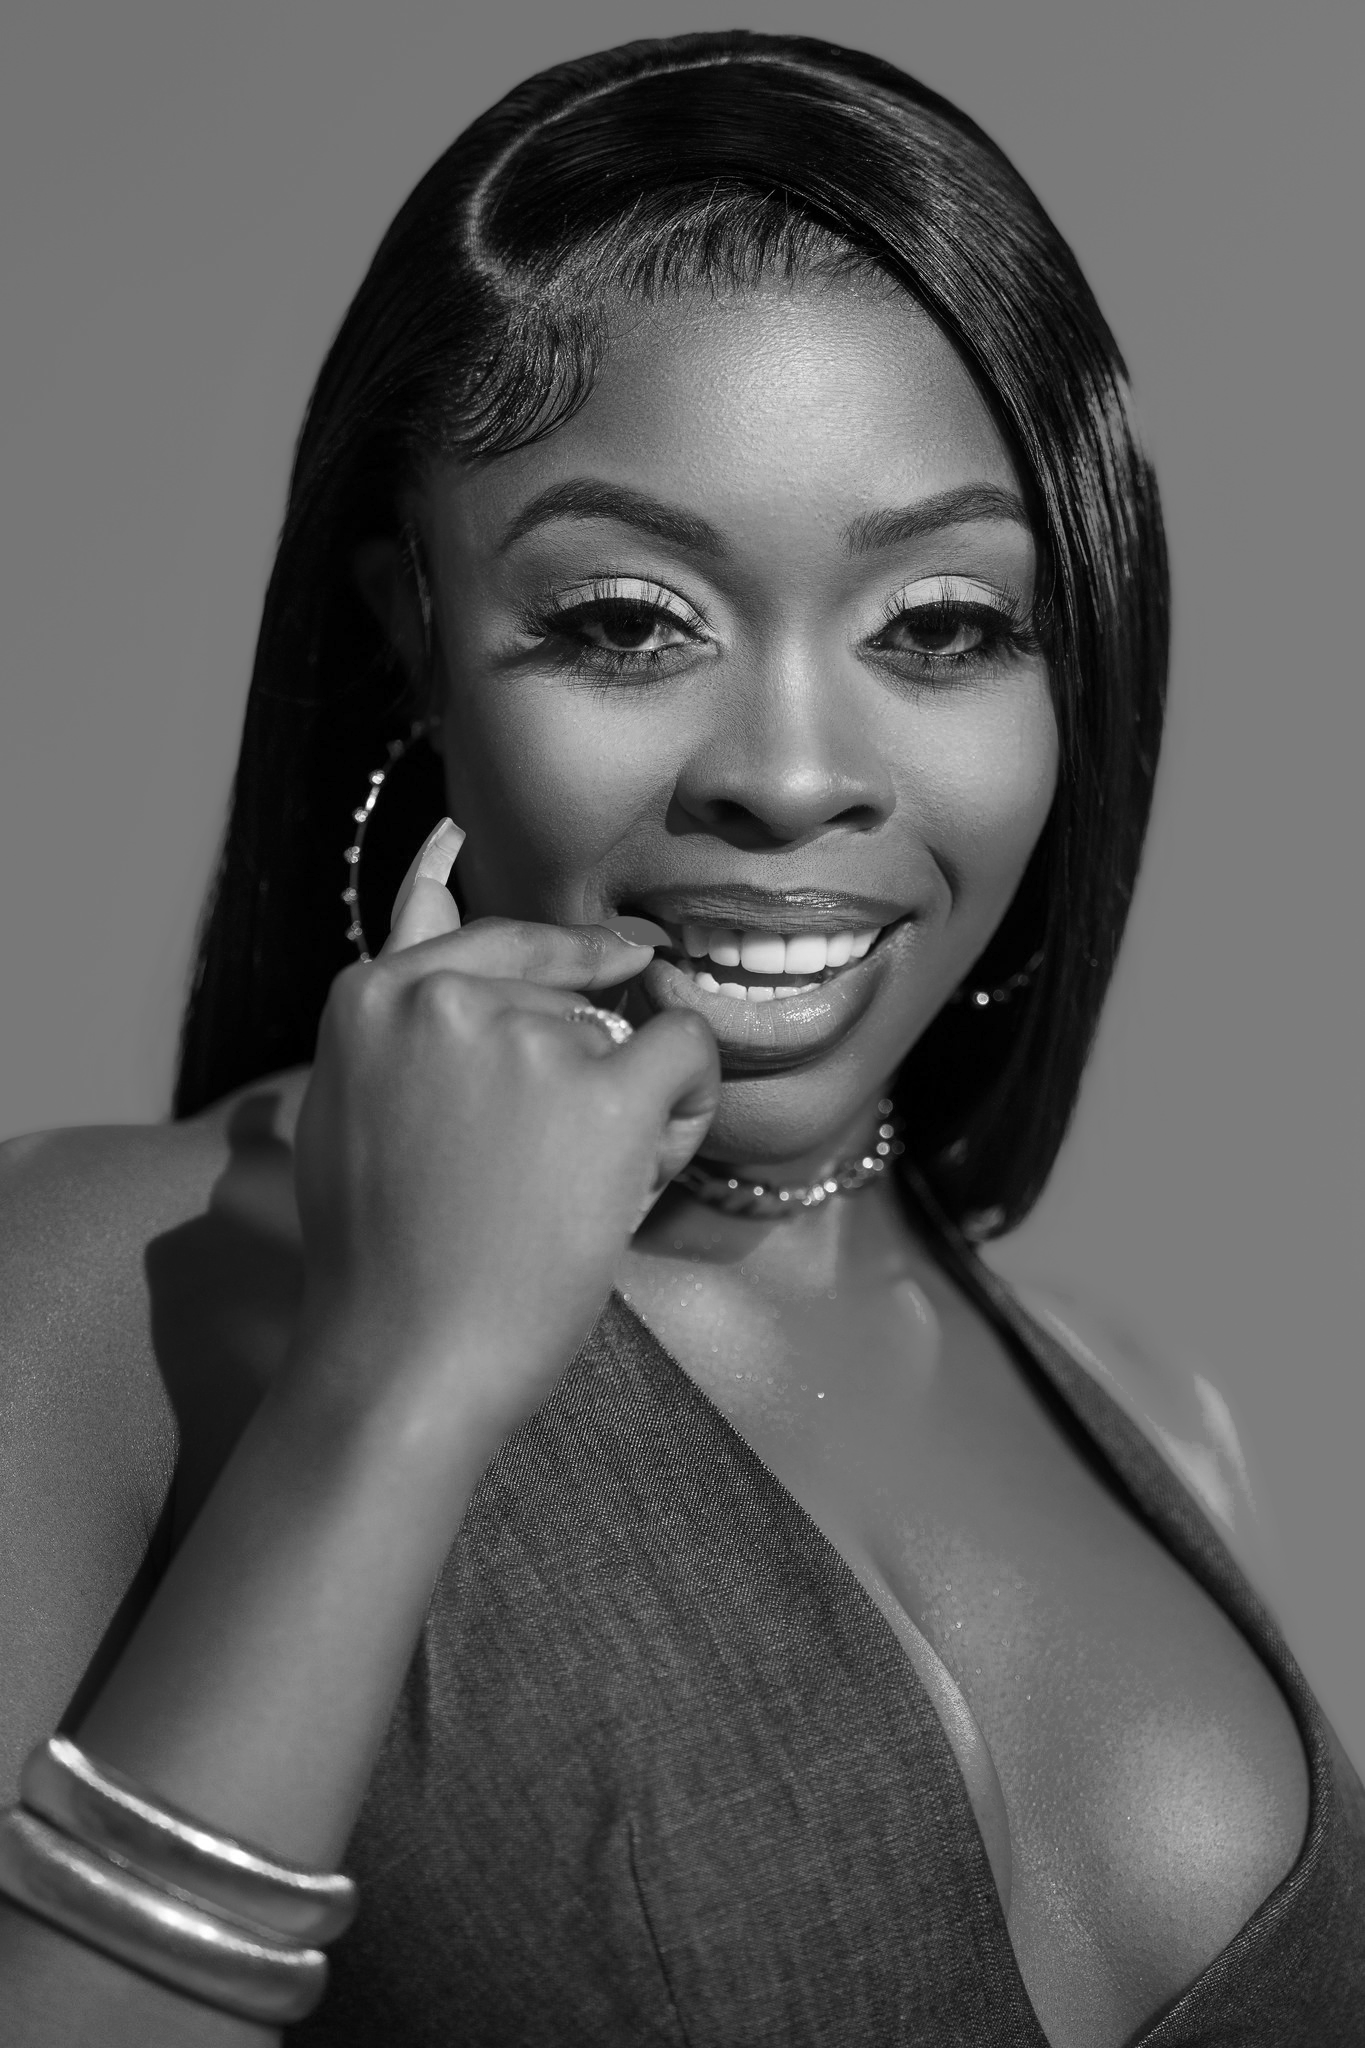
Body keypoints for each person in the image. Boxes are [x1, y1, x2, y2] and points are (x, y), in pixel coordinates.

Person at [0, 28, 1360, 2048]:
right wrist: (399, 1379)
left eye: (941, 626)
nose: (792, 776)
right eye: (630, 622)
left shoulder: (1159, 1421)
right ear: (415, 633)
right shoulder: (105, 1296)